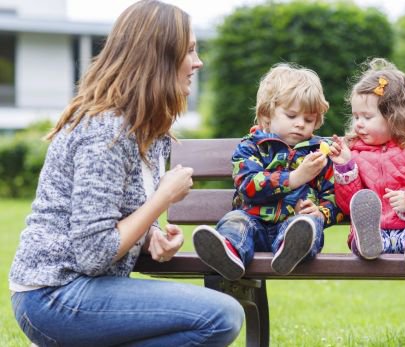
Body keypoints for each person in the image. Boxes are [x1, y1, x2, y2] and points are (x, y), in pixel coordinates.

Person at [9, 1, 244, 346]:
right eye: (190, 50)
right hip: (54, 294)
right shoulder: (106, 132)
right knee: (220, 316)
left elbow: (117, 218)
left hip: (84, 289)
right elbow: (93, 253)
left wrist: (152, 239)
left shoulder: (150, 132)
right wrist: (163, 197)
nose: (198, 62)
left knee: (220, 316)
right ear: (159, 57)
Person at [192, 63, 344, 281]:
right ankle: (229, 255)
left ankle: (289, 250)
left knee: (307, 225)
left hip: (293, 225)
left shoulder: (320, 153)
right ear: (266, 116)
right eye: (292, 116)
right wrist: (294, 178)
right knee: (235, 220)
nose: (300, 124)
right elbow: (248, 185)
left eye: (309, 120)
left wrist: (321, 212)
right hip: (253, 225)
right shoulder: (251, 147)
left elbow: (335, 197)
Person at [328, 58, 405, 268]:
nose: (358, 124)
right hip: (375, 232)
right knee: (361, 235)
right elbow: (349, 205)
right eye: (356, 117)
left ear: (395, 117)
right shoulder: (355, 154)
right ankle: (368, 240)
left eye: (367, 117)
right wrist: (345, 167)